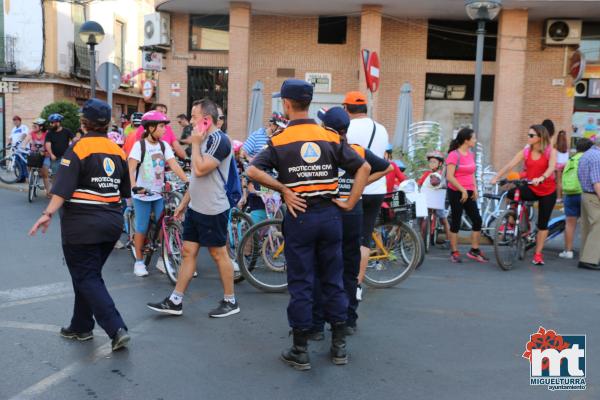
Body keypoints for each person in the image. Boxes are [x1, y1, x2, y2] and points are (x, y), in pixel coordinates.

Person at [247, 79, 371, 370]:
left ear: (286, 104)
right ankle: (339, 346)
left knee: (302, 282)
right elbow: (364, 168)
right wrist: (351, 201)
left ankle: (300, 350)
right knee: (334, 279)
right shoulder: (328, 135)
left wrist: (284, 190)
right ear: (309, 103)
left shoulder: (279, 140)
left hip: (299, 215)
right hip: (330, 216)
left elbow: (253, 169)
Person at [28, 98, 131, 351]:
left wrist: (48, 213)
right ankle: (81, 326)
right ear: (107, 124)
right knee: (87, 275)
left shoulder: (77, 149)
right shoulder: (118, 152)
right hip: (112, 225)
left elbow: (61, 190)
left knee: (86, 275)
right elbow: (125, 190)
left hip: (82, 226)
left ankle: (115, 327)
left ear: (84, 122)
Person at [147, 98, 241, 318]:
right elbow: (195, 180)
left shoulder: (219, 140)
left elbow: (200, 170)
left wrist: (196, 143)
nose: (190, 121)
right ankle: (175, 301)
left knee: (219, 254)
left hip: (213, 209)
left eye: (194, 116)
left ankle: (230, 301)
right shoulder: (205, 139)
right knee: (188, 252)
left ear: (207, 120)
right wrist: (183, 203)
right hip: (197, 208)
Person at [309, 106, 391, 340]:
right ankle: (347, 320)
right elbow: (386, 167)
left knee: (320, 267)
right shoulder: (358, 151)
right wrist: (359, 184)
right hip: (353, 213)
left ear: (327, 128)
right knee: (349, 270)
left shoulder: (321, 151)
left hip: (328, 213)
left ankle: (316, 325)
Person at [128, 111, 189, 277]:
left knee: (164, 223)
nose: (165, 130)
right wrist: (134, 186)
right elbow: (131, 169)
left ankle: (163, 258)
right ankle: (139, 262)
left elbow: (174, 165)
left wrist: (187, 181)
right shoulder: (139, 146)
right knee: (141, 226)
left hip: (158, 192)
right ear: (150, 127)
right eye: (161, 126)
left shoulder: (164, 146)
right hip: (142, 193)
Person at [343, 91, 390, 296]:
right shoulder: (381, 128)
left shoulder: (347, 128)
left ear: (346, 108)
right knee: (364, 239)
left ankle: (343, 281)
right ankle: (357, 286)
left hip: (352, 189)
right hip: (377, 187)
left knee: (345, 238)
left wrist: (358, 185)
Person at [492, 124, 557, 266]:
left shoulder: (550, 151)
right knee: (510, 192)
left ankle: (538, 254)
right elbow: (510, 164)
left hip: (547, 189)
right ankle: (512, 220)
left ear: (540, 137)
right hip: (531, 187)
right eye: (528, 134)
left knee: (542, 224)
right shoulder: (526, 151)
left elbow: (552, 167)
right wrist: (496, 177)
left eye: (531, 135)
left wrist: (542, 177)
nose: (528, 137)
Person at [445, 128, 488, 263]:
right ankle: (454, 252)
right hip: (455, 191)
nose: (475, 140)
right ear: (466, 140)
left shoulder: (470, 154)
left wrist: (474, 189)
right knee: (456, 221)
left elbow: (471, 173)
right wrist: (462, 190)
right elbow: (449, 177)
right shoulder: (454, 155)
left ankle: (474, 250)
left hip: (468, 191)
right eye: (474, 138)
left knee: (477, 220)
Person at [560, 138, 594, 259]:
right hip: (583, 193)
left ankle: (568, 251)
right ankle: (587, 253)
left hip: (569, 193)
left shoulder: (571, 159)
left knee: (569, 224)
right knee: (589, 224)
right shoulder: (588, 159)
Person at [123, 103, 187, 159]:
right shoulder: (142, 128)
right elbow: (139, 151)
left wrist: (185, 157)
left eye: (165, 112)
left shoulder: (168, 129)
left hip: (165, 167)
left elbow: (178, 148)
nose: (164, 115)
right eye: (160, 112)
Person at [418, 150, 451, 248]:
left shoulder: (441, 174)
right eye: (430, 162)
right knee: (420, 217)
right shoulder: (427, 174)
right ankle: (420, 236)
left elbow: (441, 182)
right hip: (427, 198)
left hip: (437, 200)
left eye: (434, 162)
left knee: (443, 219)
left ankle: (448, 240)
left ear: (440, 163)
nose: (431, 164)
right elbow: (419, 183)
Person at [577, 139, 600, 270]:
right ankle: (589, 259)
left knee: (587, 227)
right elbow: (597, 182)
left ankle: (585, 257)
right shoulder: (597, 157)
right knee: (598, 227)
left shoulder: (587, 154)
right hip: (594, 195)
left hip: (585, 194)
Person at [21, 118, 51, 195]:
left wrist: (47, 151)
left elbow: (50, 144)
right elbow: (26, 140)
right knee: (29, 167)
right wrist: (23, 145)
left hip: (44, 155)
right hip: (34, 154)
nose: (33, 127)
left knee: (44, 173)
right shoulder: (32, 133)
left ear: (41, 127)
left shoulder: (47, 134)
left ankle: (48, 191)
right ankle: (32, 181)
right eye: (33, 126)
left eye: (35, 126)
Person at [8, 116, 29, 182]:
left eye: (16, 120)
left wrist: (20, 141)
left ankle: (25, 177)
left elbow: (25, 134)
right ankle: (20, 177)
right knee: (17, 164)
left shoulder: (24, 127)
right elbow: (10, 137)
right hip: (16, 150)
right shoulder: (13, 129)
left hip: (23, 148)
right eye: (14, 120)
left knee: (23, 163)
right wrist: (9, 143)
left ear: (20, 121)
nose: (15, 122)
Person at [555, 130, 570, 202]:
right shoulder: (567, 146)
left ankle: (558, 198)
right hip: (565, 165)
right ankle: (564, 197)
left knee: (558, 182)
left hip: (558, 165)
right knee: (564, 182)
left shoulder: (555, 145)